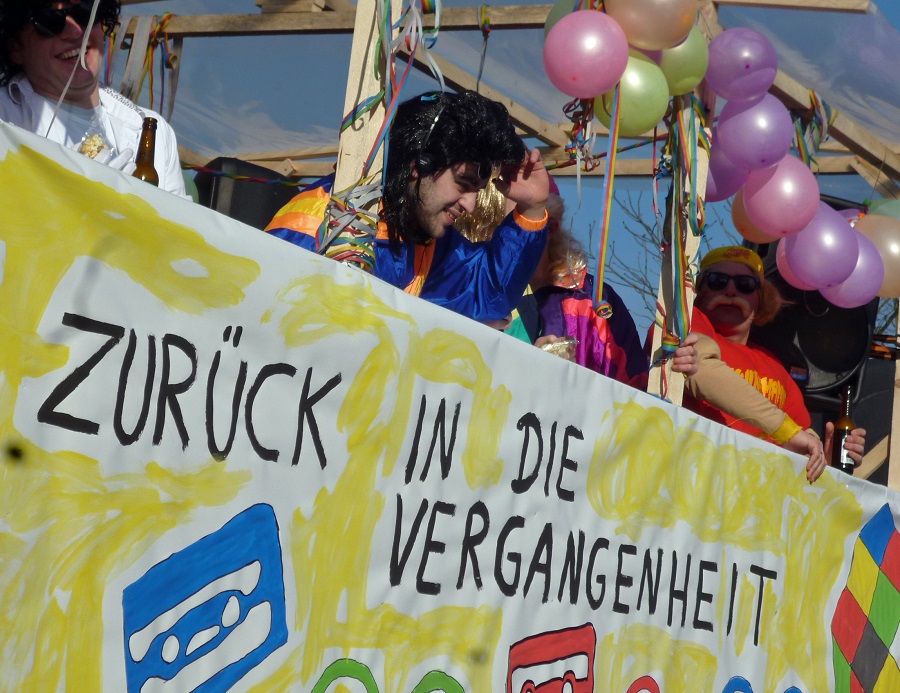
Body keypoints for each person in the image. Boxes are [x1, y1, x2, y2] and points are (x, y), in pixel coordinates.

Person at [455, 178, 698, 387]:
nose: (511, 238)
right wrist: (526, 368)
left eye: (521, 223)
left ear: (549, 228)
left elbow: (632, 388)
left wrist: (668, 367)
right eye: (502, 229)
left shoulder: (594, 300)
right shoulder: (466, 292)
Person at [684, 245, 866, 482]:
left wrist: (826, 461)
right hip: (694, 480)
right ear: (699, 291)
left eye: (745, 285)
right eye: (717, 281)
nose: (730, 290)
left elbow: (800, 444)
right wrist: (788, 431)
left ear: (761, 299)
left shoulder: (776, 367)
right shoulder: (685, 323)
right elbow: (699, 369)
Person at [0, 0, 188, 197]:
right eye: (50, 20)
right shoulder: (4, 118)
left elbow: (178, 215)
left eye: (85, 12)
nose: (75, 33)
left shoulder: (157, 133)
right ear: (15, 46)